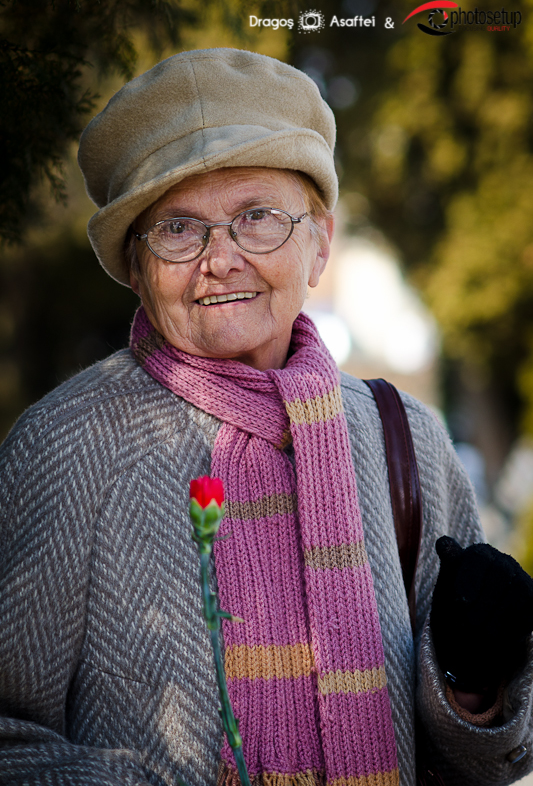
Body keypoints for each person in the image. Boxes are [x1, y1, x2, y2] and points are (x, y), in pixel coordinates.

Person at [0, 47, 532, 786]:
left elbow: (480, 762)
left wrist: (473, 688)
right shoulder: (65, 445)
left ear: (320, 244)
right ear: (136, 268)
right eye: (178, 228)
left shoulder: (405, 437)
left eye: (257, 218)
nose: (220, 258)